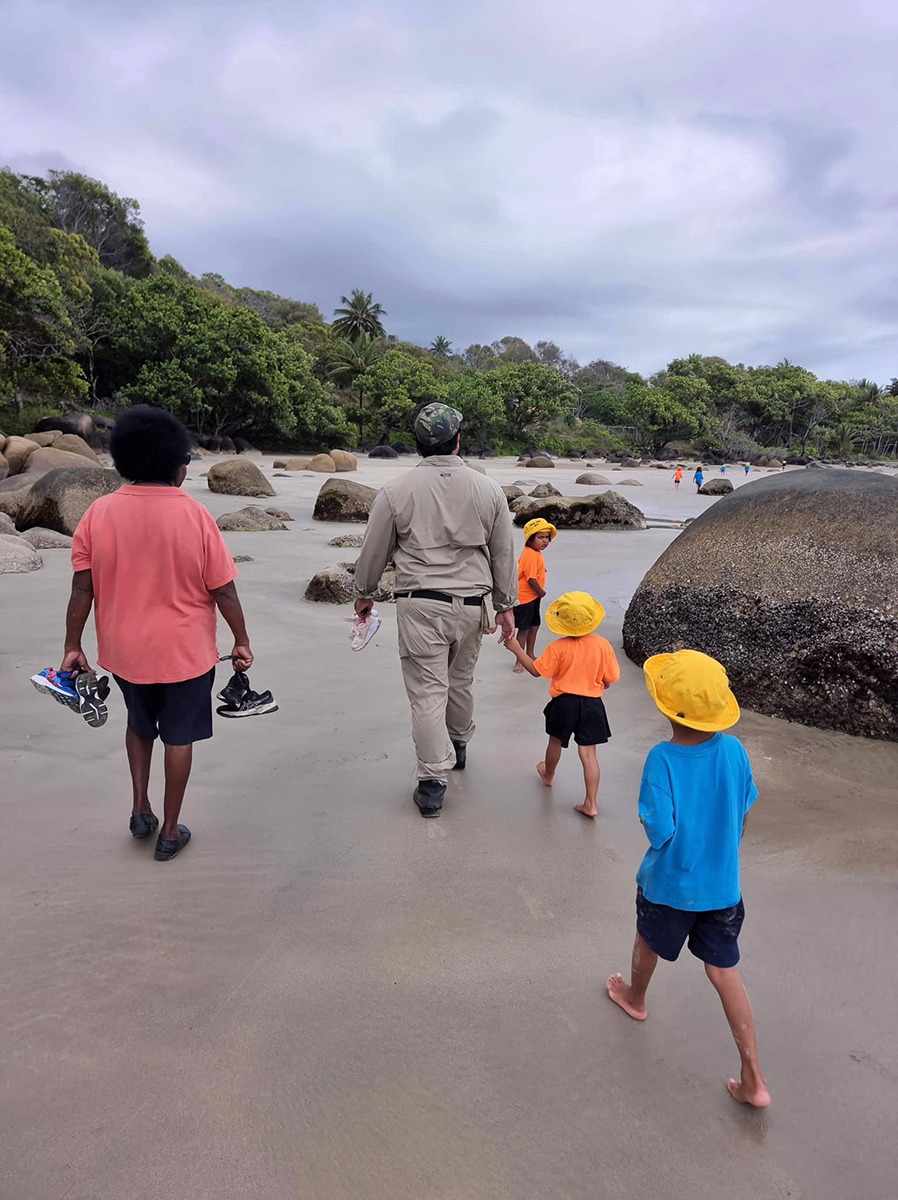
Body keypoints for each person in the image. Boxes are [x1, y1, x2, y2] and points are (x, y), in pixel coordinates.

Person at [61, 406, 254, 861]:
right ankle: (169, 831)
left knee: (139, 725)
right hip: (184, 653)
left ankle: (139, 810)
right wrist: (240, 641)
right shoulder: (196, 516)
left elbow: (81, 590)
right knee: (179, 737)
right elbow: (223, 590)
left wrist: (72, 646)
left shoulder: (98, 513)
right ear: (176, 465)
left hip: (124, 651)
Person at [606, 649, 769, 1107]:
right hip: (723, 889)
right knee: (724, 972)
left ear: (665, 705)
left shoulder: (662, 758)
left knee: (648, 942)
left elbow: (660, 831)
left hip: (670, 888)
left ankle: (635, 998)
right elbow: (742, 811)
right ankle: (754, 1078)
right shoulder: (735, 751)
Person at [354, 403, 517, 818]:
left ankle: (431, 785)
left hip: (421, 604)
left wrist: (364, 591)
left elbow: (375, 549)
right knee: (460, 680)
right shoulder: (489, 489)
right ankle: (458, 745)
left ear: (418, 444)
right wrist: (506, 606)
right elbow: (502, 553)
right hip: (474, 604)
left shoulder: (396, 490)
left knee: (428, 692)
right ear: (458, 440)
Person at [504, 592, 619, 819]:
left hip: (563, 703)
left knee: (555, 742)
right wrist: (602, 683)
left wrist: (517, 649)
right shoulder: (602, 645)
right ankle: (591, 803)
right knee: (589, 755)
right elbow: (611, 678)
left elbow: (537, 671)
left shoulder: (558, 647)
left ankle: (548, 774)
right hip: (592, 705)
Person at [512, 518, 556, 674]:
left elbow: (534, 572)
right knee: (523, 630)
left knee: (534, 626)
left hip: (533, 598)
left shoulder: (536, 553)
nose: (545, 541)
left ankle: (529, 653)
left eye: (547, 537)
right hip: (525, 598)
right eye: (540, 537)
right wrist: (541, 592)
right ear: (530, 539)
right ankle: (519, 660)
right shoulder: (530, 554)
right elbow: (531, 579)